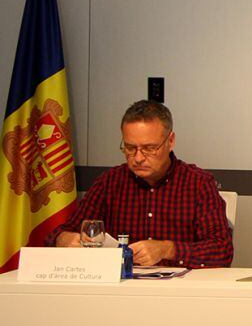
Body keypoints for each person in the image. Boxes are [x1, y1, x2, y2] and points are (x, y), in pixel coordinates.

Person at [49, 100, 233, 267]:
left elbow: (221, 250)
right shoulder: (110, 182)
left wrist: (167, 249)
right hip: (120, 291)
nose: (138, 158)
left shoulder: (198, 184)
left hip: (180, 294)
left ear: (170, 141)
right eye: (130, 148)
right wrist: (63, 239)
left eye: (149, 148)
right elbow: (61, 233)